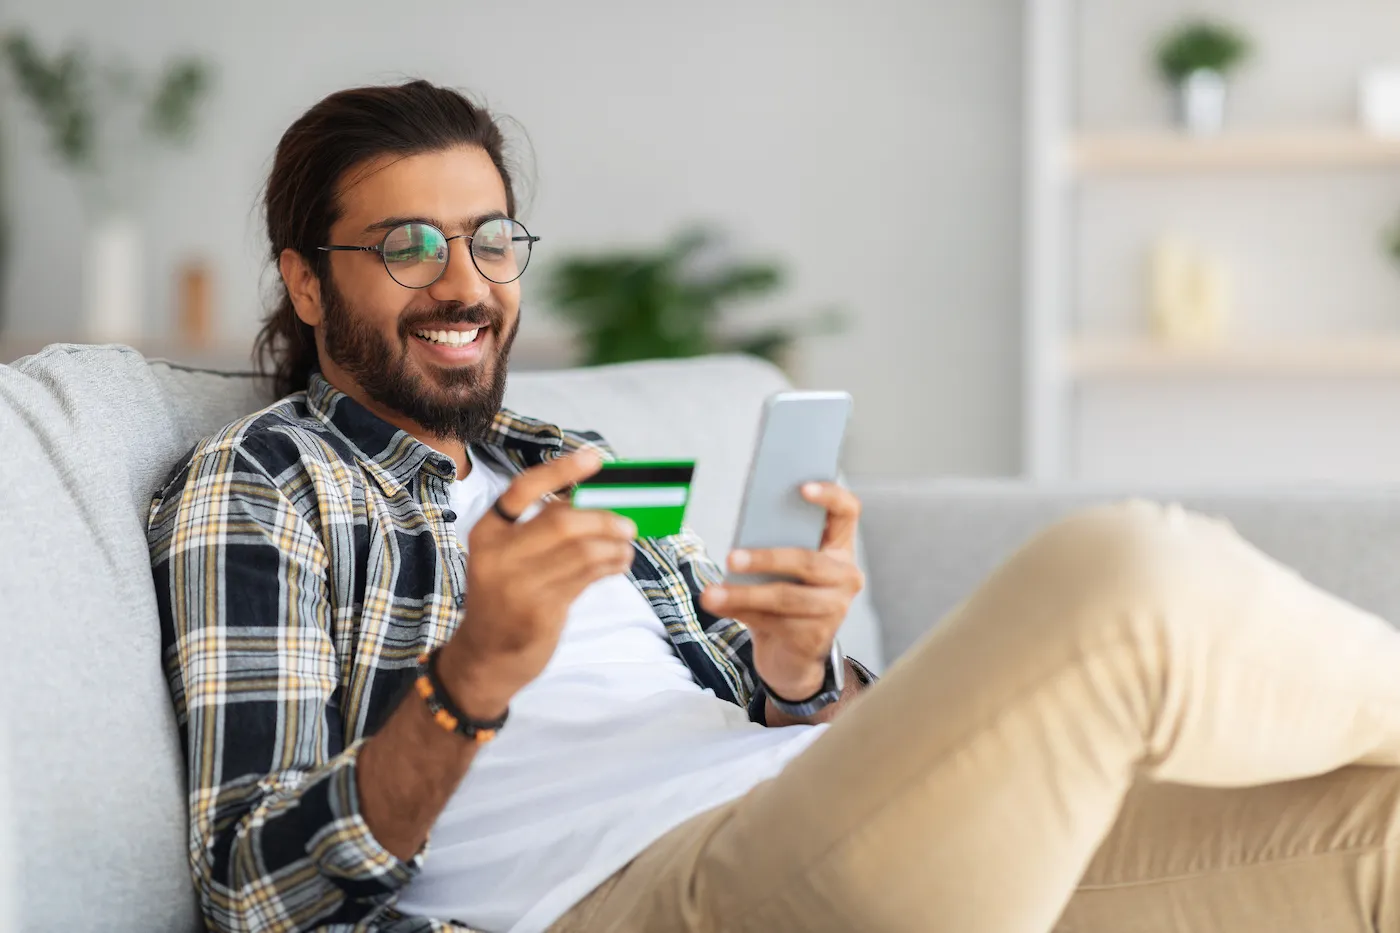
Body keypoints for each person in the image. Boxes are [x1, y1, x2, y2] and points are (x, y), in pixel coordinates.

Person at [148, 80, 1400, 933]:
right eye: (408, 246)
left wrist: (801, 673)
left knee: (1378, 834)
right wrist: (470, 675)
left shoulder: (562, 456)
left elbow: (763, 705)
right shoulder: (265, 485)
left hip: (820, 816)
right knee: (1125, 580)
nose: (464, 283)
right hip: (649, 892)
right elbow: (253, 889)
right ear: (307, 284)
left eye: (490, 240)